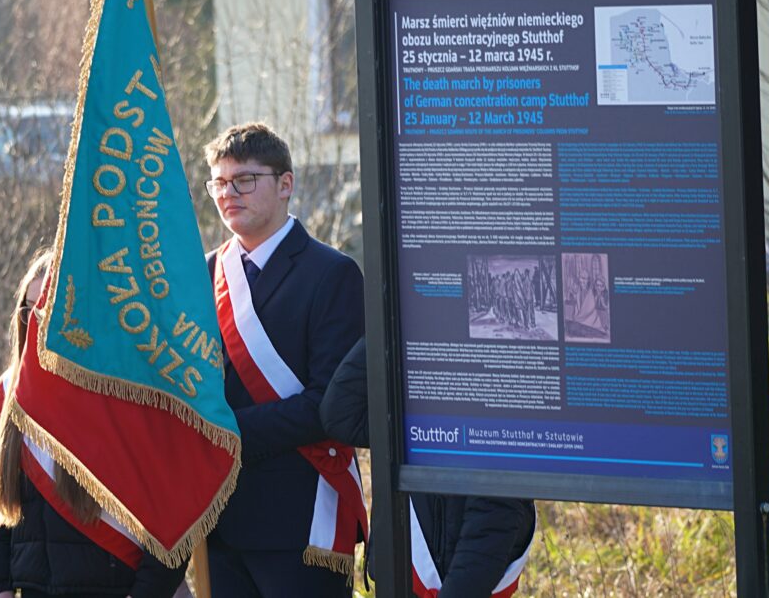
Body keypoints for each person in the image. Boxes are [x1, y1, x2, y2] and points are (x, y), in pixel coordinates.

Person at [203, 122, 365, 598]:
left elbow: (330, 404)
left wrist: (226, 433)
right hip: (217, 513)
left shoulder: (332, 273)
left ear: (285, 184)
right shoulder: (204, 272)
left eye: (245, 180)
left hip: (297, 516)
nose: (229, 193)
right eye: (219, 183)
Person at [0, 250, 190, 598]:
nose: (36, 320)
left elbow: (172, 511)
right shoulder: (8, 394)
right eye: (28, 308)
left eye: (47, 308)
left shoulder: (126, 392)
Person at [321, 338, 536, 598]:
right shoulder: (418, 413)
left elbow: (484, 542)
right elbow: (340, 415)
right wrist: (389, 314)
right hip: (399, 579)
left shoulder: (498, 418)